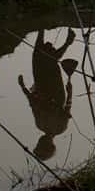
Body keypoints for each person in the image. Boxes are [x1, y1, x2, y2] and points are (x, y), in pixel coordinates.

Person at [19, 29, 76, 161]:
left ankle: (43, 31)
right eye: (40, 144)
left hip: (46, 90)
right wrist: (70, 92)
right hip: (53, 92)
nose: (39, 142)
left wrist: (23, 87)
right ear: (47, 144)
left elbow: (33, 103)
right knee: (45, 61)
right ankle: (46, 33)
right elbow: (67, 108)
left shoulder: (44, 126)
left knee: (43, 60)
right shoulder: (55, 127)